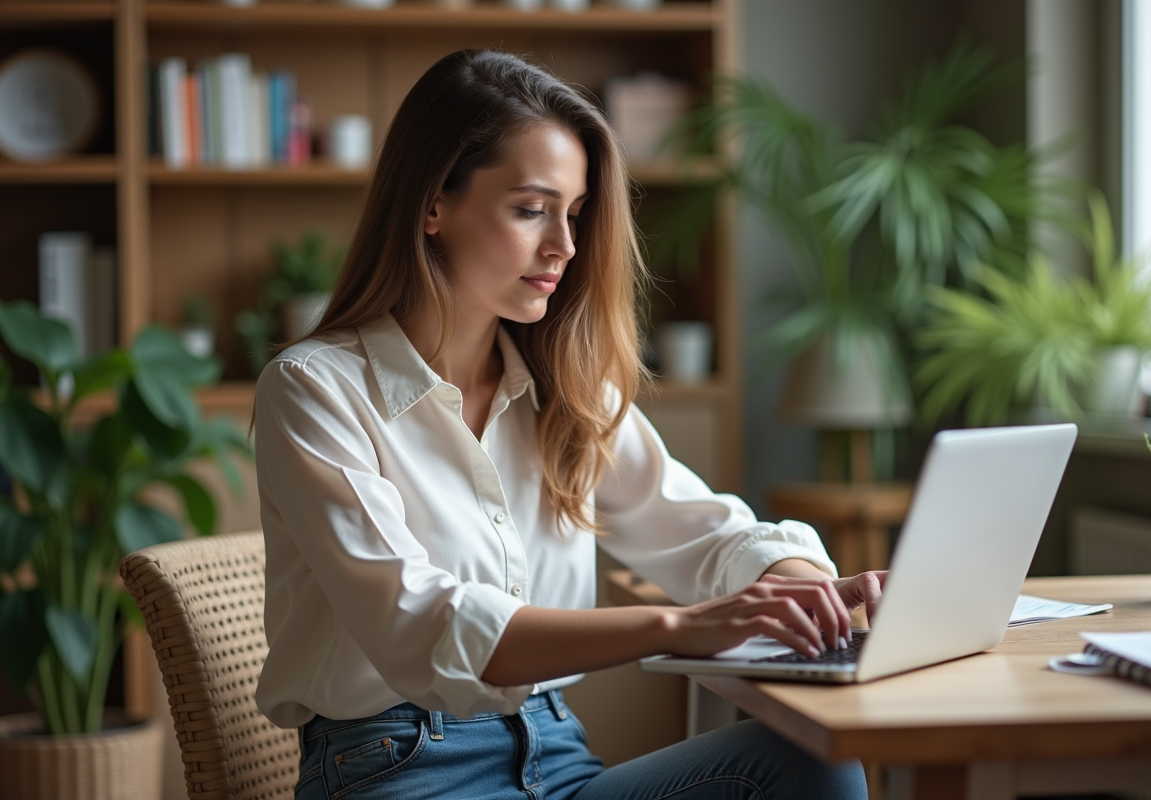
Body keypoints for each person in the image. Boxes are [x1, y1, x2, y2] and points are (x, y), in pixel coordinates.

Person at [253, 48, 884, 800]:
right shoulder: (315, 389)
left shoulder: (566, 390)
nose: (565, 247)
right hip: (397, 767)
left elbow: (701, 531)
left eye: (575, 214)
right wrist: (675, 628)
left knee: (811, 759)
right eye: (530, 209)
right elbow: (419, 623)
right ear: (433, 204)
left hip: (556, 754)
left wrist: (810, 588)